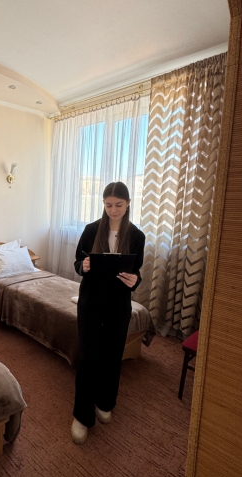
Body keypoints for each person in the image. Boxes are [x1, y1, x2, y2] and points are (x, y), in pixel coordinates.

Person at [71, 181, 145, 445]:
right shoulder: (91, 230)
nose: (113, 210)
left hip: (118, 303)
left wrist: (135, 281)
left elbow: (136, 271)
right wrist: (84, 265)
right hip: (90, 301)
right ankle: (82, 415)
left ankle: (105, 401)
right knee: (88, 357)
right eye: (108, 205)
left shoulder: (136, 236)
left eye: (119, 205)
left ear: (128, 204)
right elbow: (77, 263)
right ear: (103, 204)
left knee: (113, 356)